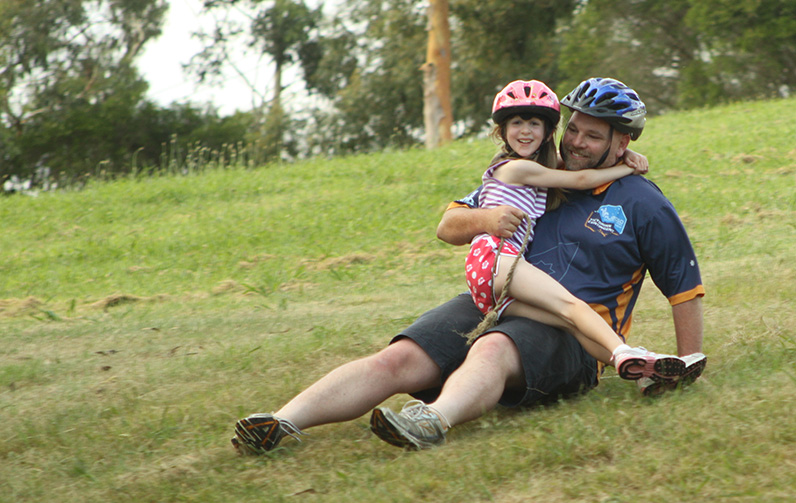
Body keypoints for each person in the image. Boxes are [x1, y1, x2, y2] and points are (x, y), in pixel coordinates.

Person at [231, 77, 707, 455]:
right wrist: (487, 219)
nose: (577, 142)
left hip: (572, 337)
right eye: (574, 129)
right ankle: (281, 422)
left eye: (594, 135)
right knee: (399, 358)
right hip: (495, 300)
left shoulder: (643, 202)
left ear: (622, 142)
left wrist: (689, 363)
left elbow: (683, 285)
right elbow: (449, 225)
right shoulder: (536, 177)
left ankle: (432, 421)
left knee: (492, 348)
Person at [460, 80, 683, 383]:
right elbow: (581, 179)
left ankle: (639, 365)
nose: (525, 131)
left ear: (547, 133)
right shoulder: (515, 168)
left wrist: (623, 151)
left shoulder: (536, 166)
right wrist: (627, 168)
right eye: (517, 123)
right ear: (502, 131)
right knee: (573, 306)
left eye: (534, 124)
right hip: (496, 257)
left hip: (487, 277)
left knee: (571, 324)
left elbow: (571, 161)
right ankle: (624, 350)